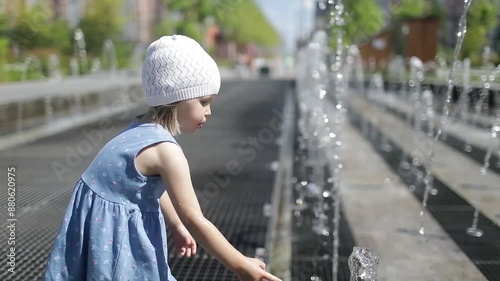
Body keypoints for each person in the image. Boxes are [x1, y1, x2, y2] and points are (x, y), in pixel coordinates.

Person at [43, 35, 282, 281]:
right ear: (175, 96)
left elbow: (152, 185)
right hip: (115, 240)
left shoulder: (138, 128)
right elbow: (195, 219)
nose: (209, 111)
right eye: (203, 101)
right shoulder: (167, 151)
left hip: (99, 230)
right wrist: (241, 266)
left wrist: (175, 224)